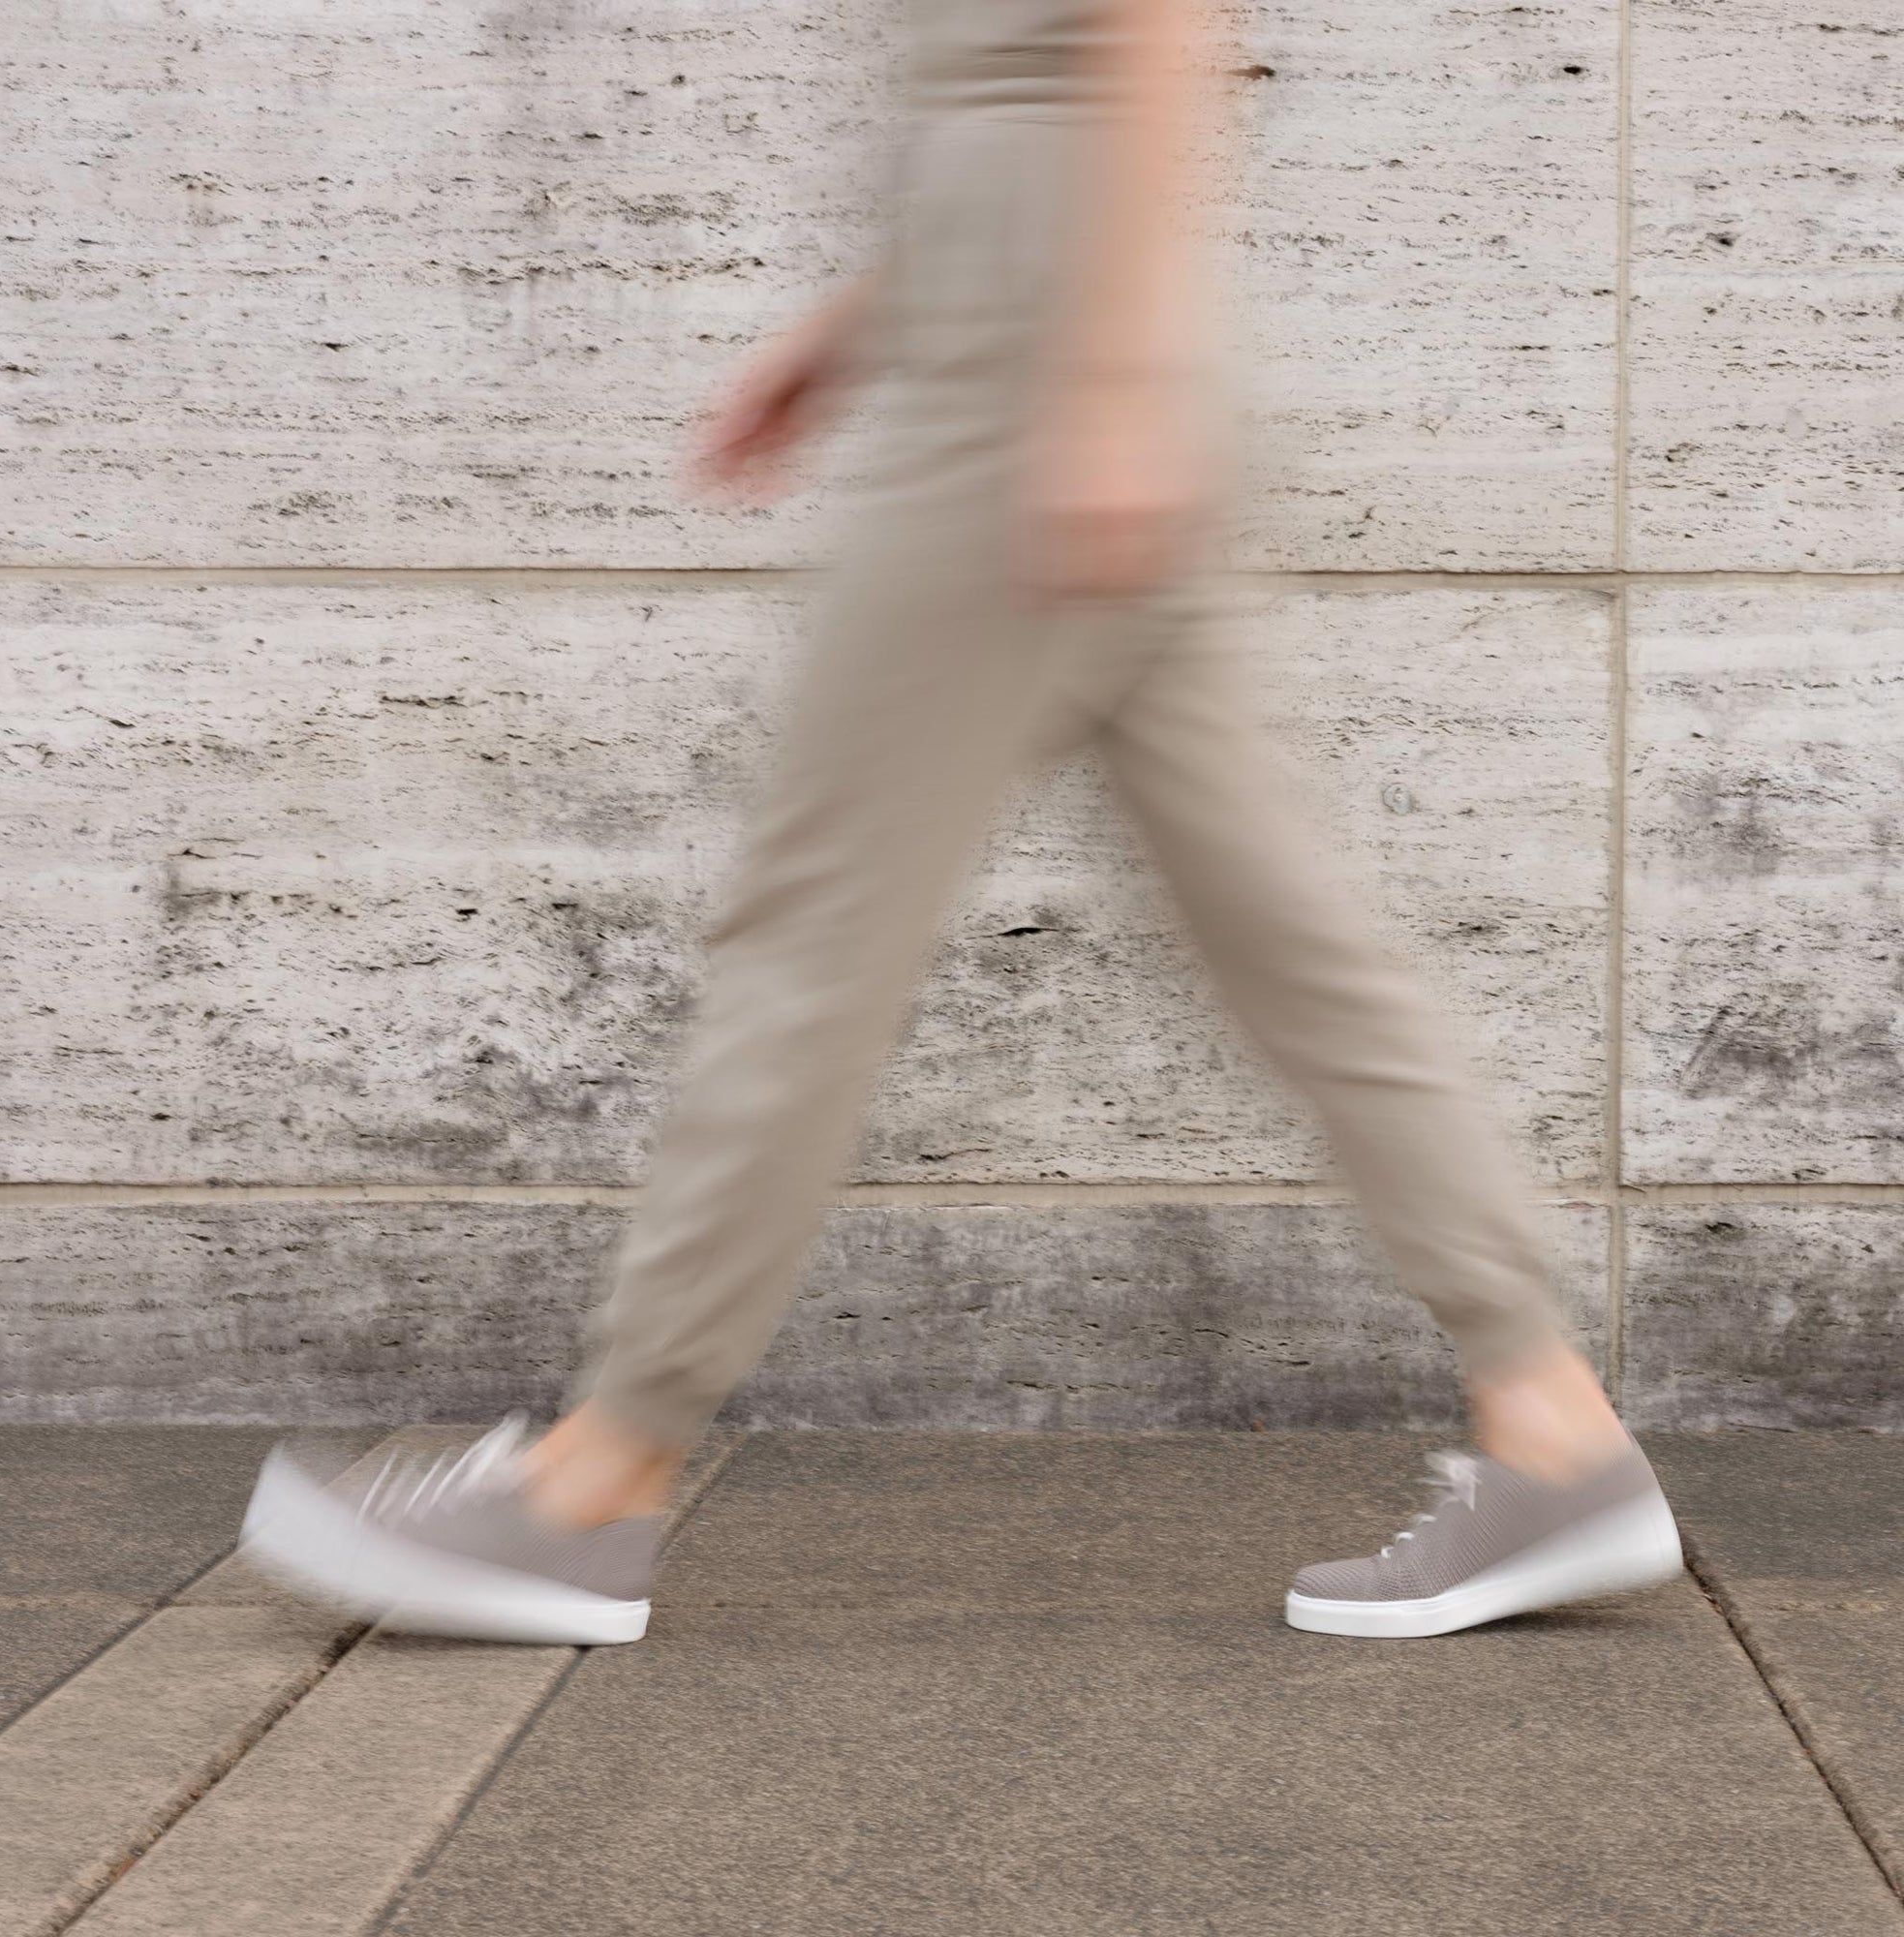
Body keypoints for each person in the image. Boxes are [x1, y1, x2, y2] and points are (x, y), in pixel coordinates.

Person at [241, 0, 1681, 1644]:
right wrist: (867, 323)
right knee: (1295, 939)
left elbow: (1148, 26)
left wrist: (1108, 385)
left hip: (1035, 399)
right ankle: (1554, 1426)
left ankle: (594, 1481)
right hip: (1045, 356)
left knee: (811, 931)